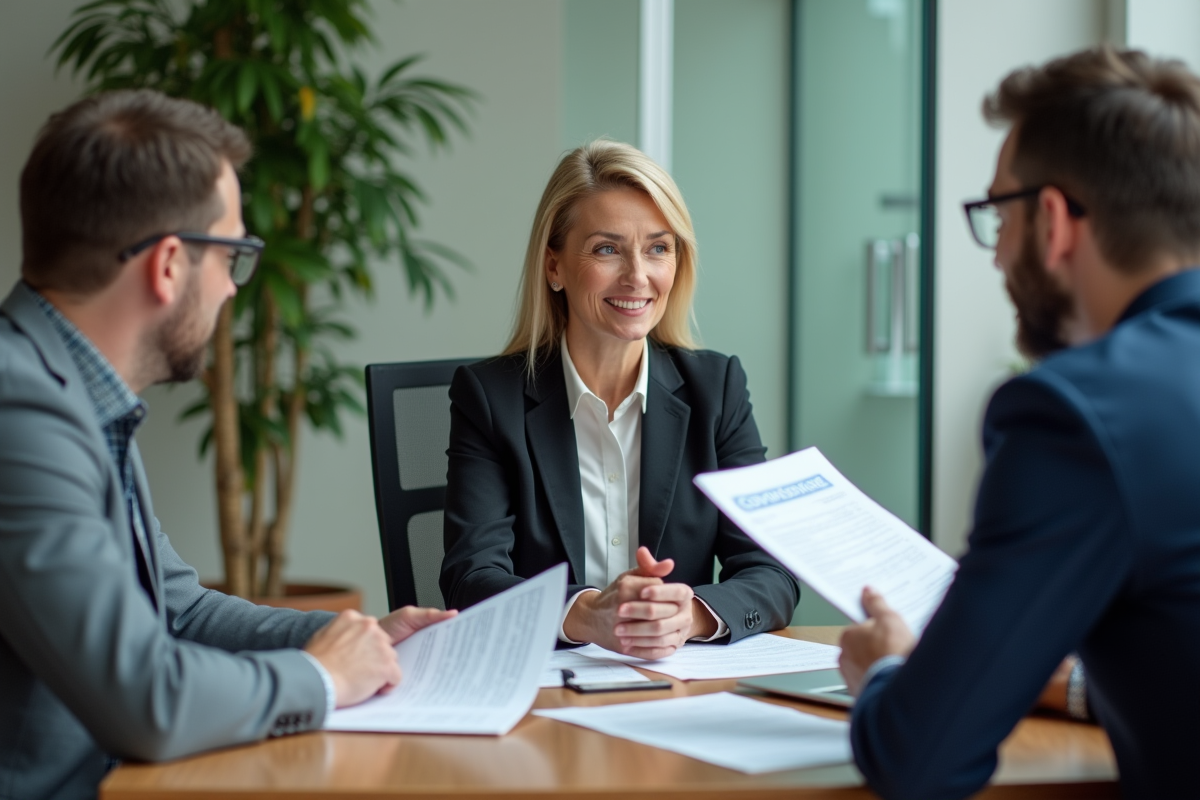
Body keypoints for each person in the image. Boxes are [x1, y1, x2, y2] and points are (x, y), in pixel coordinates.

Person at [0, 90, 453, 800]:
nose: (234, 291)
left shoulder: (71, 389)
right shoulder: (18, 407)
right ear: (170, 264)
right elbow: (146, 700)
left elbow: (179, 610)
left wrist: (349, 636)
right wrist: (325, 677)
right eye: (233, 255)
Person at [838, 47, 1200, 799]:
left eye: (998, 214)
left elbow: (921, 759)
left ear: (1056, 221)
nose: (998, 253)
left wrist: (887, 669)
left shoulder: (1079, 417)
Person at [440, 140, 799, 657]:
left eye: (658, 248)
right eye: (607, 249)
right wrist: (587, 615)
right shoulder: (490, 398)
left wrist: (689, 614)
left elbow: (772, 572)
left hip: (675, 688)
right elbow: (470, 579)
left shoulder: (717, 388)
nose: (638, 276)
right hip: (546, 694)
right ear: (555, 267)